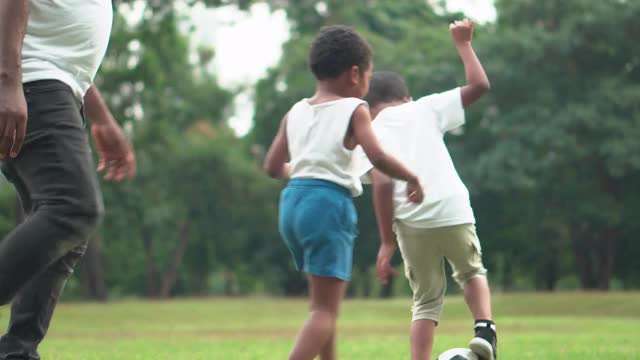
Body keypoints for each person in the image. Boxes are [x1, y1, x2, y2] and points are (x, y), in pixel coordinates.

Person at [263, 25, 424, 360]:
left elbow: (273, 166)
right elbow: (378, 156)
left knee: (321, 306)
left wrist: (306, 169)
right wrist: (411, 177)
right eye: (368, 75)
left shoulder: (295, 111)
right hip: (327, 207)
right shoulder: (354, 109)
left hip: (292, 205)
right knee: (324, 312)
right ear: (355, 74)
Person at [0, 1, 135, 359]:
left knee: (68, 233)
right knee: (72, 209)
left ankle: (17, 353)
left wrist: (102, 118)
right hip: (30, 82)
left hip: (52, 84)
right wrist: (8, 81)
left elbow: (60, 46)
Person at [357, 19, 496, 360]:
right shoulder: (425, 107)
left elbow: (383, 184)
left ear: (368, 105)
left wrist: (387, 242)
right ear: (406, 97)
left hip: (412, 220)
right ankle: (485, 330)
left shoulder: (369, 133)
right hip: (451, 207)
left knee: (426, 300)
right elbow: (479, 85)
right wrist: (463, 44)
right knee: (471, 271)